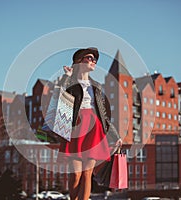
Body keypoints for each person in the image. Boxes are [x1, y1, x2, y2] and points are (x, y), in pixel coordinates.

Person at [58, 47, 123, 200]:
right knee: (76, 174)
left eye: (95, 59)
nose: (93, 61)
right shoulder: (70, 82)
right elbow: (59, 99)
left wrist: (116, 136)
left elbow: (104, 116)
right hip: (76, 128)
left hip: (94, 129)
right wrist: (66, 77)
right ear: (78, 61)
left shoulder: (97, 86)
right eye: (89, 58)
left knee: (87, 174)